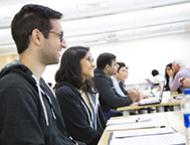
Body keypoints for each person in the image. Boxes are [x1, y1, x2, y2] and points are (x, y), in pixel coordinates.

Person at [0, 4, 82, 145]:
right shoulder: (15, 88)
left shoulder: (41, 85)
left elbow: (57, 139)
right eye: (60, 36)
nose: (64, 44)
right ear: (37, 37)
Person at [54, 46, 105, 145]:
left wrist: (109, 136)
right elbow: (81, 133)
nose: (93, 65)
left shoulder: (90, 89)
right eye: (88, 60)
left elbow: (100, 123)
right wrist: (107, 139)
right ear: (75, 63)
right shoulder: (64, 93)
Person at [93, 53, 140, 119]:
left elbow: (117, 96)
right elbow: (114, 101)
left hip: (107, 111)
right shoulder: (99, 78)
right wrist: (130, 99)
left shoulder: (106, 77)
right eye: (115, 64)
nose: (117, 66)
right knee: (133, 116)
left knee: (134, 114)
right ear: (107, 67)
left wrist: (131, 98)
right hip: (103, 115)